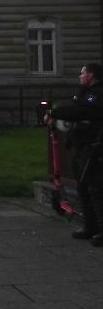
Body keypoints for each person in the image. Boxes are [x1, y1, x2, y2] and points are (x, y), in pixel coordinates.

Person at [48, 63, 103, 246]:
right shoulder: (85, 93)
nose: (80, 76)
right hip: (81, 147)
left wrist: (54, 112)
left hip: (93, 147)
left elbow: (80, 111)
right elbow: (74, 107)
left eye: (82, 73)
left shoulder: (96, 94)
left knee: (96, 189)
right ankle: (90, 226)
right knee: (83, 188)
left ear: (91, 75)